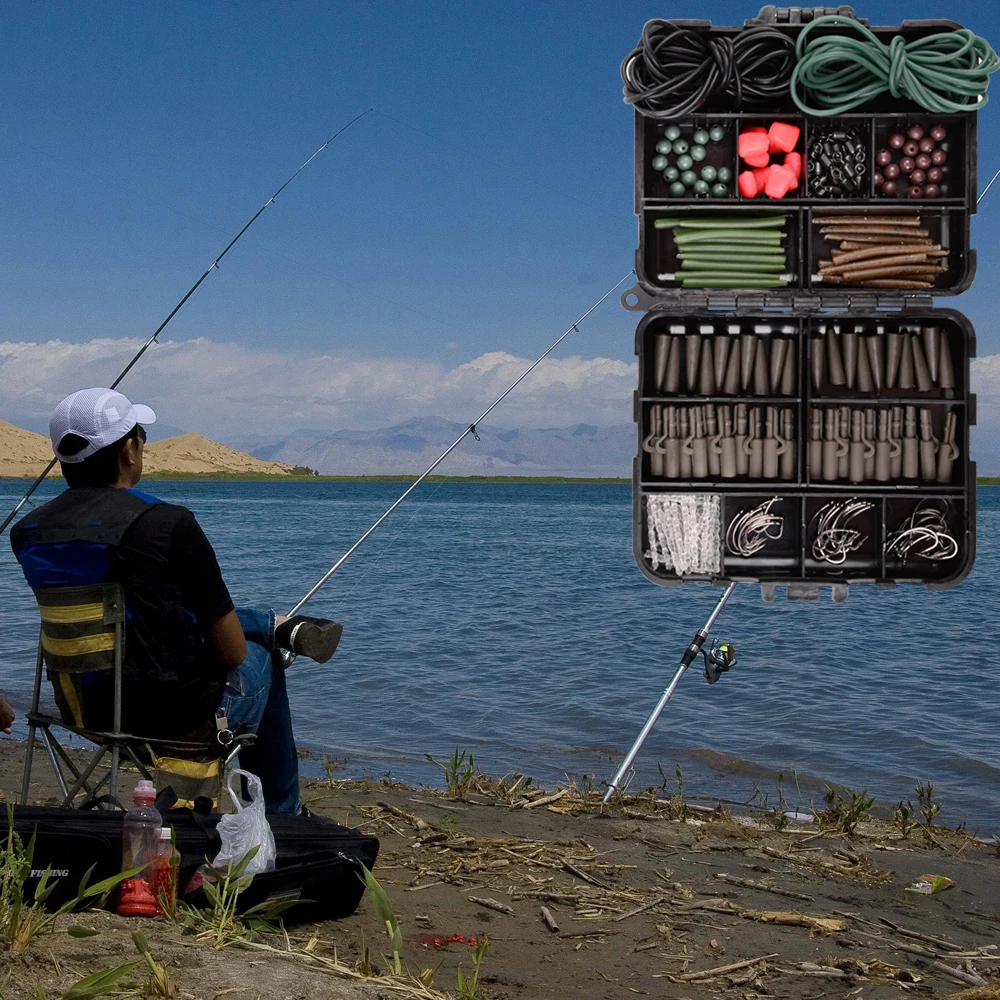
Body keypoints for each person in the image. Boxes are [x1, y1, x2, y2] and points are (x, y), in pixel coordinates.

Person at [10, 387, 342, 814]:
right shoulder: (168, 523)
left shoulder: (28, 533)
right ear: (129, 450)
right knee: (263, 659)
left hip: (82, 713)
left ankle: (274, 625)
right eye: (141, 437)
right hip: (174, 719)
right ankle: (283, 813)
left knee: (168, 616)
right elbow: (233, 654)